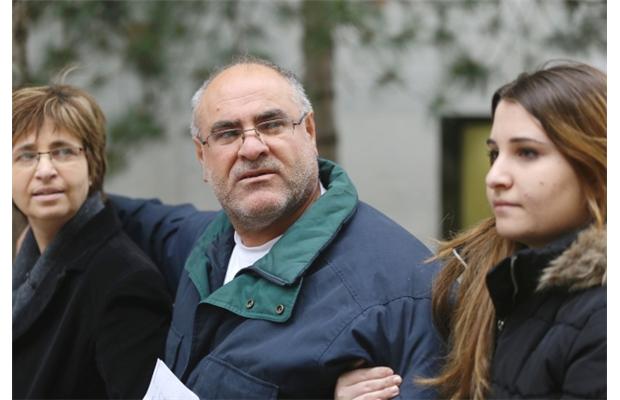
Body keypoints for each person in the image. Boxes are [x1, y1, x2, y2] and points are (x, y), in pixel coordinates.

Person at [112, 56, 444, 398]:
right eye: (228, 133)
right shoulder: (205, 249)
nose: (252, 147)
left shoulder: (404, 291)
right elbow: (147, 219)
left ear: (310, 132)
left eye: (271, 124)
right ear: (202, 157)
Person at [334, 61, 607, 399]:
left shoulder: (602, 320)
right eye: (495, 154)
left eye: (527, 152)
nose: (495, 177)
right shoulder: (493, 284)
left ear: (597, 165)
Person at [12, 84, 172, 399]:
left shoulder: (125, 281)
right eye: (26, 155)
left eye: (63, 151)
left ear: (92, 167)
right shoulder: (23, 261)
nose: (45, 171)